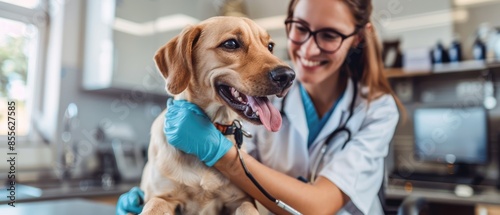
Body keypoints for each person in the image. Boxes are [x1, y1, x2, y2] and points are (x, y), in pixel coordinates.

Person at [117, 0, 405, 214]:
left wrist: (221, 152)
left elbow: (320, 206)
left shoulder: (377, 110)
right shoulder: (252, 103)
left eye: (329, 35)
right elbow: (231, 192)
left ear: (356, 37)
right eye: (300, 29)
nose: (308, 49)